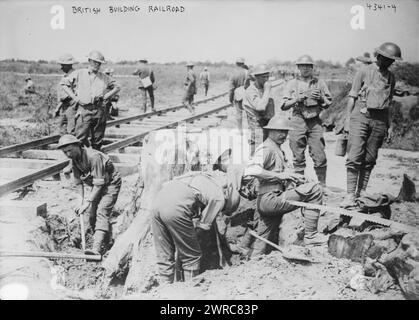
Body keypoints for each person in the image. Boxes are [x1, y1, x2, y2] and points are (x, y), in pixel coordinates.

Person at [243, 115, 328, 255]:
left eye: (286, 132)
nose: (284, 135)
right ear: (270, 131)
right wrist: (280, 176)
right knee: (315, 190)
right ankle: (311, 235)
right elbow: (251, 169)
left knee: (262, 242)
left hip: (269, 200)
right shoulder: (267, 148)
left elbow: (275, 175)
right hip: (269, 199)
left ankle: (252, 268)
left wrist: (292, 178)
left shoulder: (276, 148)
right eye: (280, 131)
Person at [151, 168, 242, 284]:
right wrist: (188, 242)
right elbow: (202, 228)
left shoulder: (205, 179)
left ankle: (163, 291)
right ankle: (190, 291)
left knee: (165, 254)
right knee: (192, 256)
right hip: (176, 206)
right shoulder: (220, 198)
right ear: (228, 203)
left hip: (158, 199)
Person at [342, 42, 401, 207]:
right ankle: (349, 195)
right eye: (387, 59)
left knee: (370, 159)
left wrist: (390, 126)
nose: (389, 63)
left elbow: (389, 103)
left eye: (392, 61)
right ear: (379, 56)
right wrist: (347, 120)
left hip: (380, 119)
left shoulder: (391, 77)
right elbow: (352, 96)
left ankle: (362, 193)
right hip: (360, 116)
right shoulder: (364, 71)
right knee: (354, 156)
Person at [56, 134, 122, 255]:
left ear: (78, 146)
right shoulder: (74, 160)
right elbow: (78, 183)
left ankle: (97, 248)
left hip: (110, 184)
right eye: (65, 152)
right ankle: (100, 239)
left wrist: (87, 201)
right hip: (97, 185)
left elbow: (99, 183)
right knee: (91, 214)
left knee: (102, 211)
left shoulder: (94, 157)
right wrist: (80, 201)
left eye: (70, 150)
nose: (68, 154)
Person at [280, 55, 332, 190]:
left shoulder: (319, 83)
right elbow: (284, 104)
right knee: (297, 153)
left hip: (315, 121)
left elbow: (328, 103)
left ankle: (322, 185)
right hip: (297, 119)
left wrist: (320, 98)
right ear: (298, 68)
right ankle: (300, 184)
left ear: (312, 68)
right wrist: (297, 99)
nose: (305, 69)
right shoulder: (291, 83)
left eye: (308, 66)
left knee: (319, 154)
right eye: (302, 66)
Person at [61, 50, 120, 150]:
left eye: (99, 63)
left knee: (97, 139)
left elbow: (117, 87)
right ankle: (79, 162)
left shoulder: (104, 77)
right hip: (84, 109)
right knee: (80, 138)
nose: (97, 65)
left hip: (99, 110)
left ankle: (94, 159)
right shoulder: (79, 73)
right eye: (94, 62)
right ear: (89, 61)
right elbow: (64, 84)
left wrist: (106, 96)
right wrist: (75, 98)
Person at [242, 64, 275, 155]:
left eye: (267, 76)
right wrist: (267, 90)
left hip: (267, 124)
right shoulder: (251, 90)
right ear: (256, 77)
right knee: (257, 154)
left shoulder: (263, 89)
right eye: (263, 77)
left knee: (267, 152)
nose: (266, 79)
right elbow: (260, 107)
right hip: (257, 126)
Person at [55, 54, 78, 135]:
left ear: (68, 65)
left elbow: (76, 93)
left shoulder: (75, 75)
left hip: (72, 105)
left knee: (71, 130)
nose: (61, 67)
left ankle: (73, 146)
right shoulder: (65, 76)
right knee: (62, 129)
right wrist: (58, 107)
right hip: (64, 105)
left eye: (63, 65)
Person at [229, 57, 249, 133]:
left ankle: (240, 130)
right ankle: (250, 129)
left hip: (237, 95)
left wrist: (230, 98)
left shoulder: (233, 73)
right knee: (249, 112)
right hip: (247, 94)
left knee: (239, 113)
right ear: (243, 64)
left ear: (236, 64)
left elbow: (231, 88)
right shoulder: (247, 72)